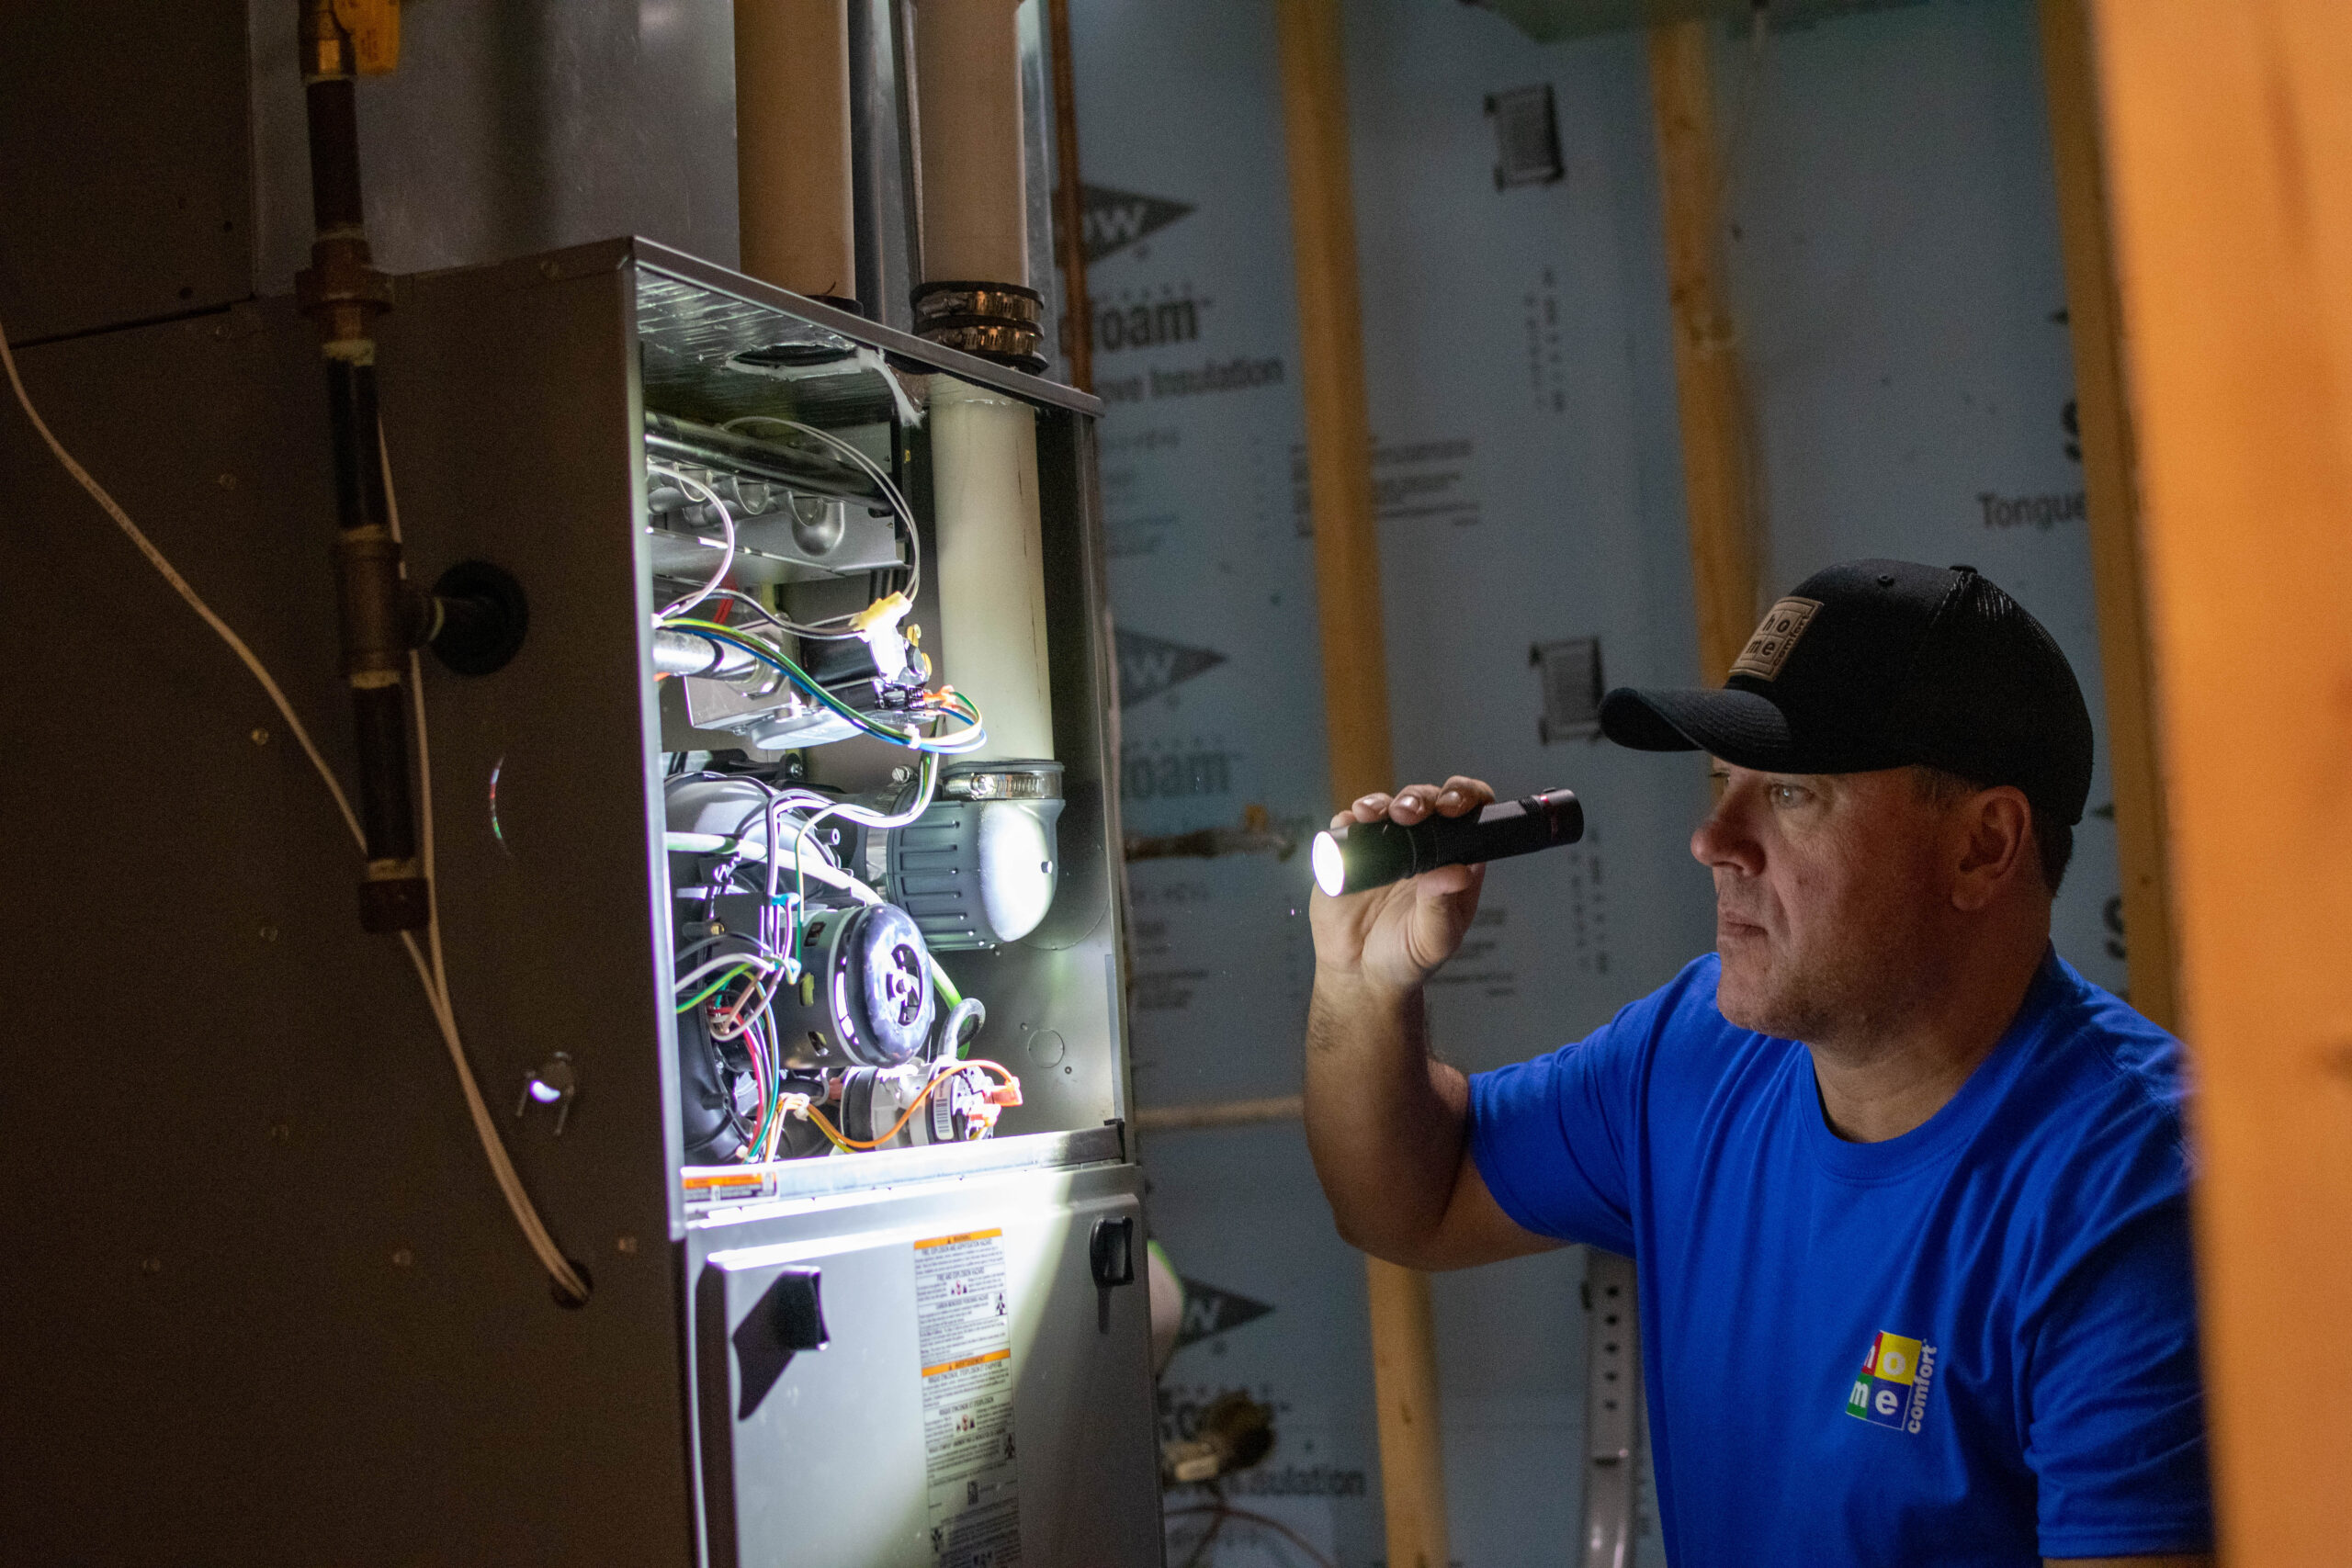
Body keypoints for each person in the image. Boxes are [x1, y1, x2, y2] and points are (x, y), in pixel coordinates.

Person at [1306, 560, 2211, 1568]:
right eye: (1720, 785)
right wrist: (1360, 982)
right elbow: (1405, 1201)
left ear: (1981, 847)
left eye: (1788, 792)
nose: (1711, 840)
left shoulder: (2136, 1196)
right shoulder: (1696, 1050)